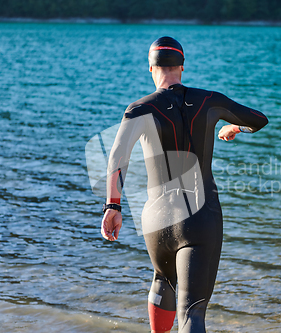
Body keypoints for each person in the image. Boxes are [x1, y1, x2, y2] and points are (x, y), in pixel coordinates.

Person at [101, 36, 268, 333]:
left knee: (161, 280)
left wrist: (113, 206)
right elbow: (259, 119)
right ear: (182, 67)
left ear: (151, 69)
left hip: (156, 221)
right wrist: (234, 127)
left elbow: (117, 158)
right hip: (199, 218)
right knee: (192, 313)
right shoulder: (209, 101)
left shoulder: (139, 109)